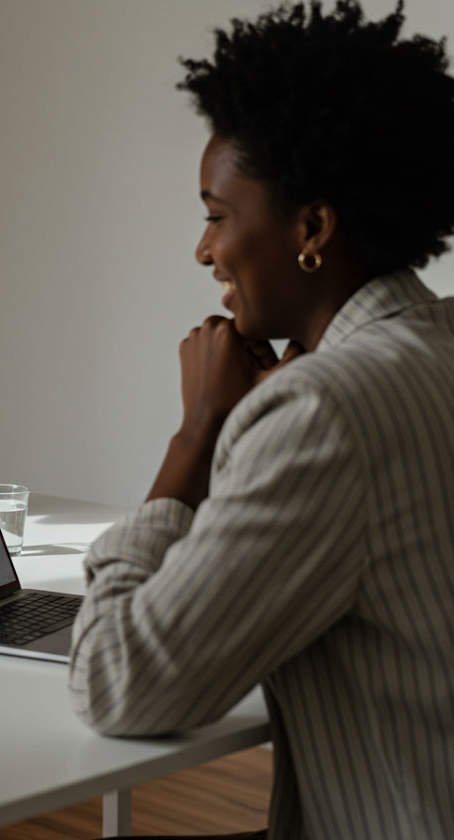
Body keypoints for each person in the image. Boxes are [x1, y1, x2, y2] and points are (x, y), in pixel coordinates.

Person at [68, 2, 454, 838]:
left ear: (312, 228)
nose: (203, 252)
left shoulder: (323, 413)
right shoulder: (438, 340)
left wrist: (196, 437)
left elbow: (116, 681)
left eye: (215, 215)